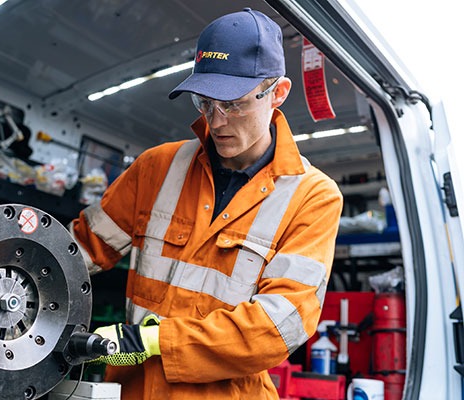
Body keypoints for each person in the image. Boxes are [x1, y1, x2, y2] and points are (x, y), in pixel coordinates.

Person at [69, 7, 343, 399]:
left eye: (234, 104)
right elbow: (78, 250)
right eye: (205, 102)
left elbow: (277, 328)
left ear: (277, 93)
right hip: (134, 391)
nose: (216, 122)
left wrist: (155, 341)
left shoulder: (312, 197)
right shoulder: (156, 167)